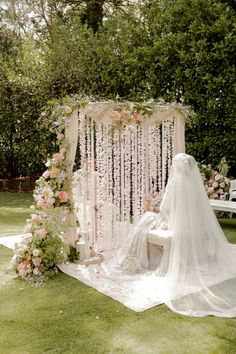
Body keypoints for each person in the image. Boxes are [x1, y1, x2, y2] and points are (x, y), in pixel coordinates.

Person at [118, 153, 236, 317]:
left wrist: (153, 209)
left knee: (147, 219)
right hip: (193, 225)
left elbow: (165, 209)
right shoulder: (194, 184)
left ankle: (141, 257)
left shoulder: (175, 183)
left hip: (175, 225)